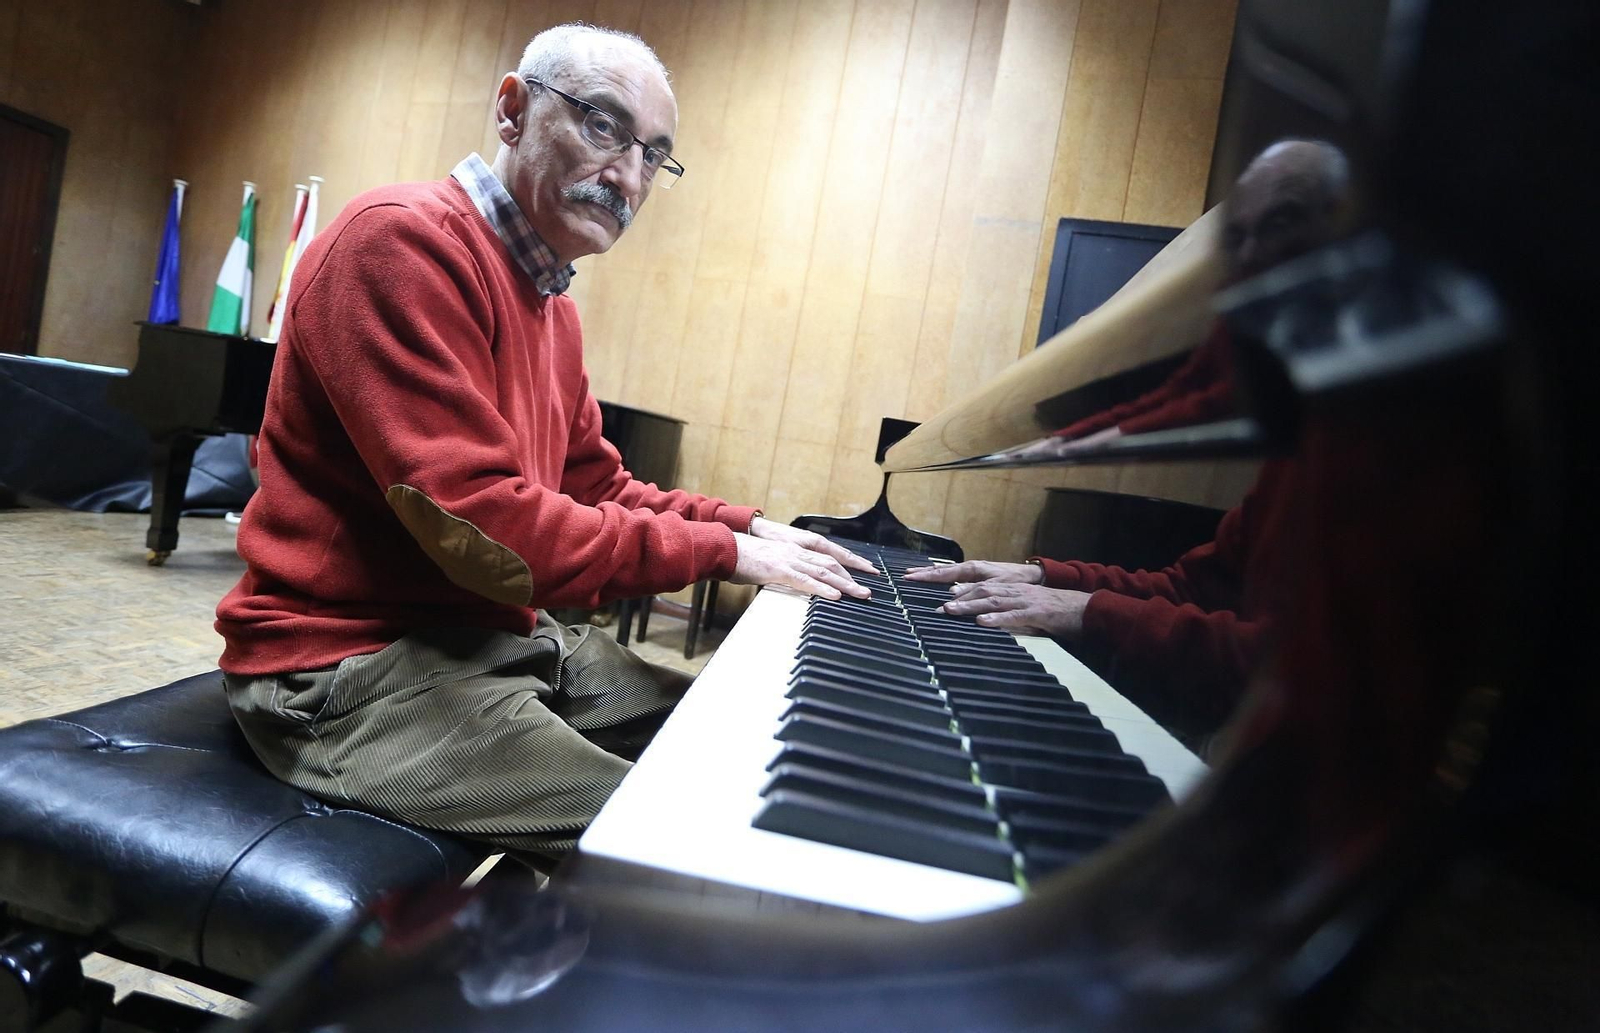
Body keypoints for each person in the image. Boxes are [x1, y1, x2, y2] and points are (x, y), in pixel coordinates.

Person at [215, 23, 872, 863]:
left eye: (653, 156)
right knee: (685, 842)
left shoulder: (550, 301)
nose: (628, 176)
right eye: (604, 126)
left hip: (481, 640)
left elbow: (598, 486)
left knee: (739, 745)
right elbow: (486, 531)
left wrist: (747, 528)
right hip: (345, 671)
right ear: (513, 109)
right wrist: (717, 552)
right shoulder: (400, 242)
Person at [903, 140, 1351, 726]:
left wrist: (1090, 611)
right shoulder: (1298, 450)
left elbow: (1297, 668)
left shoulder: (1401, 453)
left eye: (1284, 223)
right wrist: (1043, 575)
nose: (1247, 262)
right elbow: (1190, 586)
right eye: (1236, 237)